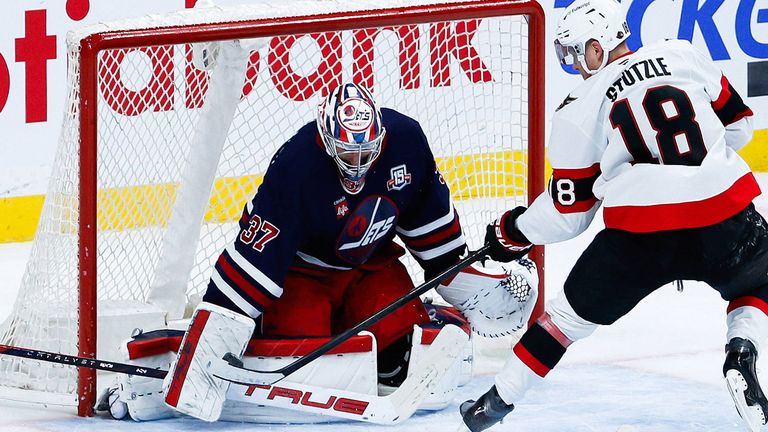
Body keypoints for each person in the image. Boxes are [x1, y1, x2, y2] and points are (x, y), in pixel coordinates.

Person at [459, 0, 762, 431]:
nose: (573, 63)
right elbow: (740, 128)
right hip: (724, 215)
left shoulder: (578, 105)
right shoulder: (682, 54)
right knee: (759, 280)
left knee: (563, 322)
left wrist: (514, 230)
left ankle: (492, 405)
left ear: (597, 49)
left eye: (574, 52)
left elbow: (570, 215)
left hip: (641, 237)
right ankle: (741, 350)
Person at [158, 82, 538, 422]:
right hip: (302, 274)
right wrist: (211, 347)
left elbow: (434, 234)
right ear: (326, 141)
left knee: (399, 349)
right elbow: (255, 264)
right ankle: (274, 327)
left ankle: (355, 331)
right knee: (302, 355)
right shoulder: (297, 168)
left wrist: (467, 285)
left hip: (370, 266)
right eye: (346, 153)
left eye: (366, 153)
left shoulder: (406, 142)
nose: (356, 165)